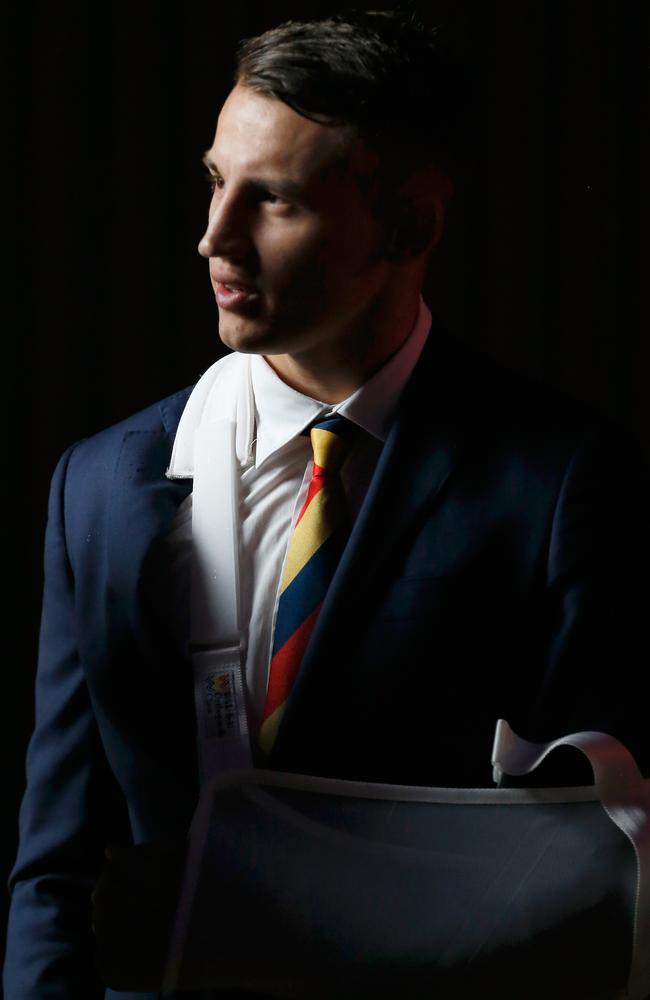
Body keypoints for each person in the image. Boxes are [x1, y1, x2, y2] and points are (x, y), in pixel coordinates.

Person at [4, 9, 649, 999]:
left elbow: (597, 862)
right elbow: (54, 870)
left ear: (411, 224)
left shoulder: (555, 483)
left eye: (274, 202)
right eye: (216, 182)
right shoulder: (95, 487)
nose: (212, 237)